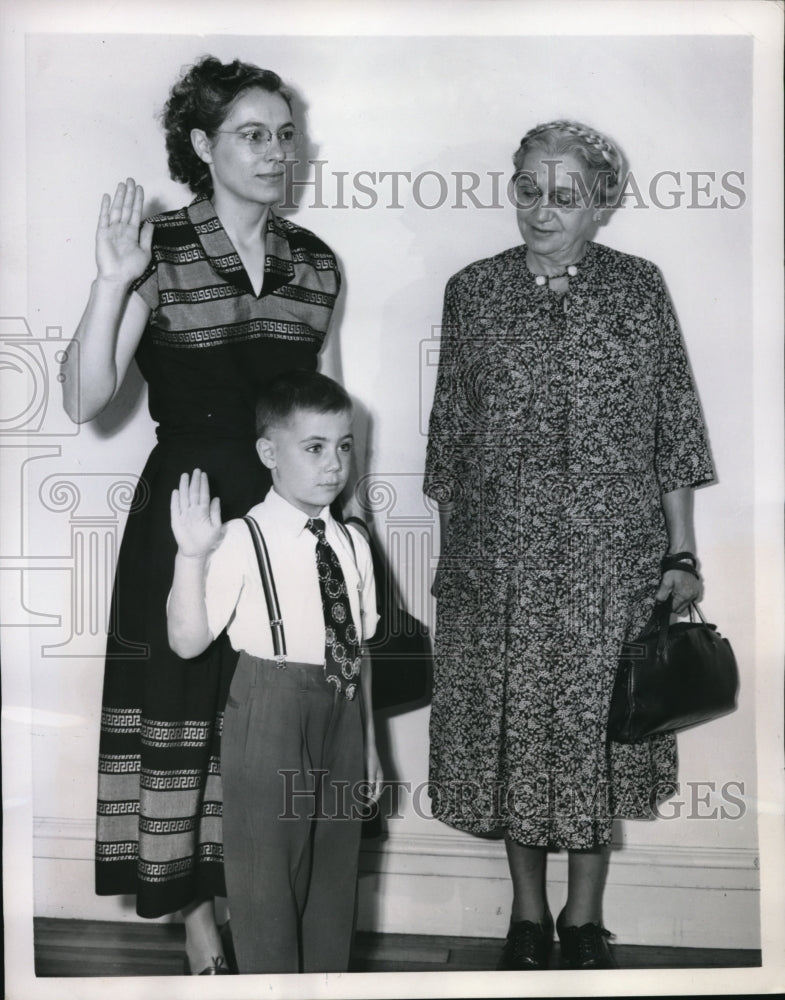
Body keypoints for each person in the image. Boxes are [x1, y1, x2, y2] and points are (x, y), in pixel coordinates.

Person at [60, 56, 341, 974]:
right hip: (186, 514)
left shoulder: (315, 264)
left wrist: (342, 539)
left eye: (285, 133)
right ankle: (196, 919)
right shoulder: (159, 250)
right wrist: (111, 283)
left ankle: (260, 909)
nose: (276, 151)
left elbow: (320, 414)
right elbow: (84, 398)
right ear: (201, 145)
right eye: (252, 134)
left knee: (264, 716)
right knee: (183, 704)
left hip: (282, 519)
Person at [424, 119, 715, 971]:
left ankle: (583, 919)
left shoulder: (638, 289)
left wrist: (681, 555)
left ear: (601, 204)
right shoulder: (473, 292)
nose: (540, 209)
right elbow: (449, 438)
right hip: (500, 560)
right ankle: (525, 916)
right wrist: (454, 560)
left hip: (610, 561)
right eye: (527, 188)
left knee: (595, 739)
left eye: (563, 194)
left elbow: (673, 431)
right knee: (515, 739)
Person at [167, 370, 382, 974]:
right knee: (266, 881)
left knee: (334, 878)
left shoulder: (352, 542)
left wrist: (369, 744)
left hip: (342, 712)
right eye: (314, 447)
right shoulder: (240, 537)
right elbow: (187, 642)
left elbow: (359, 649)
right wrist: (190, 555)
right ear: (269, 452)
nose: (334, 464)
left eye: (343, 445)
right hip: (270, 708)